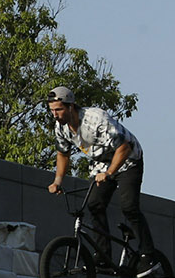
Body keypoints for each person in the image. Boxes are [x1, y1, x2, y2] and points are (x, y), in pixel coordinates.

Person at [46, 86, 154, 259]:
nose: (55, 115)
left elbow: (124, 148)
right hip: (101, 164)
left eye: (58, 110)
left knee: (129, 207)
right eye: (52, 110)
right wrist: (57, 181)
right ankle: (103, 256)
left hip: (128, 159)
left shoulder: (96, 119)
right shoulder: (61, 128)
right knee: (94, 204)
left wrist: (110, 173)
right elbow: (63, 154)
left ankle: (148, 253)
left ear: (71, 106)